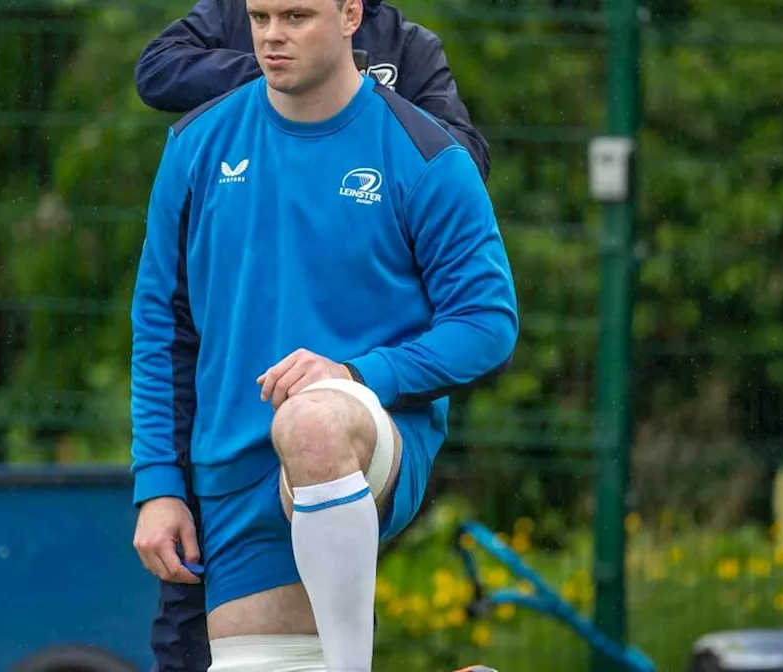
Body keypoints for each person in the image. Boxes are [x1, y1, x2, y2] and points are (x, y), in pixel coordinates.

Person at [128, 0, 518, 669]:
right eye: (261, 17)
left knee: (310, 422)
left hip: (366, 433)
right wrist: (159, 484)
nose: (274, 37)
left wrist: (357, 374)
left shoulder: (425, 152)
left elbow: (488, 323)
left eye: (298, 16)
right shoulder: (195, 145)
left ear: (349, 16)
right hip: (232, 470)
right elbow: (161, 330)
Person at [134, 0, 491, 183]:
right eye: (260, 19)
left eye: (297, 18)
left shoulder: (410, 45)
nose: (271, 30)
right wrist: (282, 74)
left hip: (364, 243)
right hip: (249, 218)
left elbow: (466, 159)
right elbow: (156, 71)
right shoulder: (240, 8)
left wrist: (363, 100)